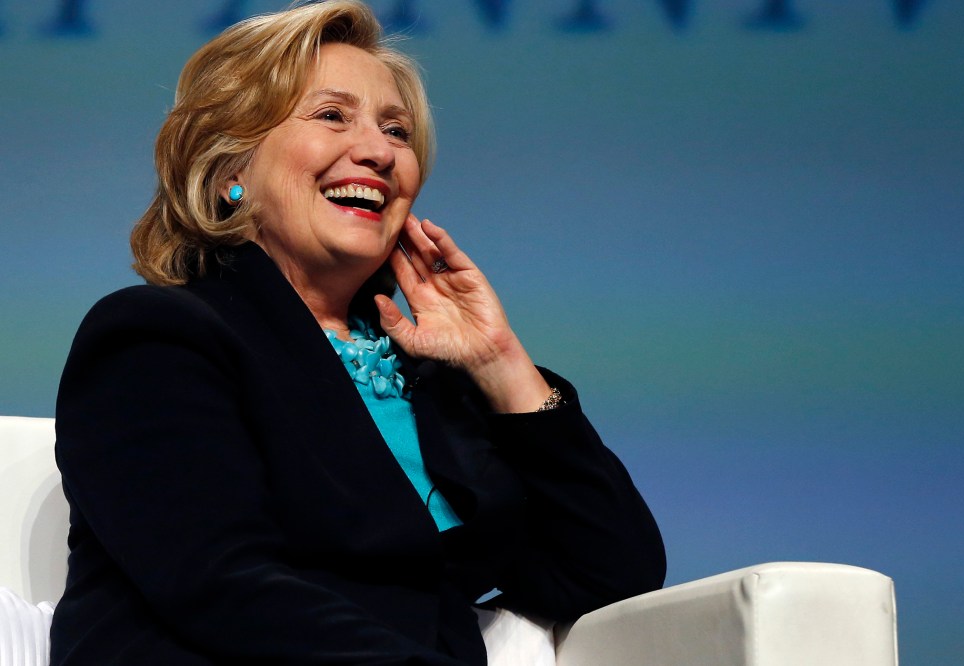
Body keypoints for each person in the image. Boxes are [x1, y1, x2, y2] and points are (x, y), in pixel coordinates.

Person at [51, 2, 666, 664]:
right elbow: (223, 587)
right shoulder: (156, 338)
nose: (377, 151)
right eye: (331, 116)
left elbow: (611, 576)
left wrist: (500, 364)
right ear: (231, 170)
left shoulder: (429, 382)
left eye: (397, 131)